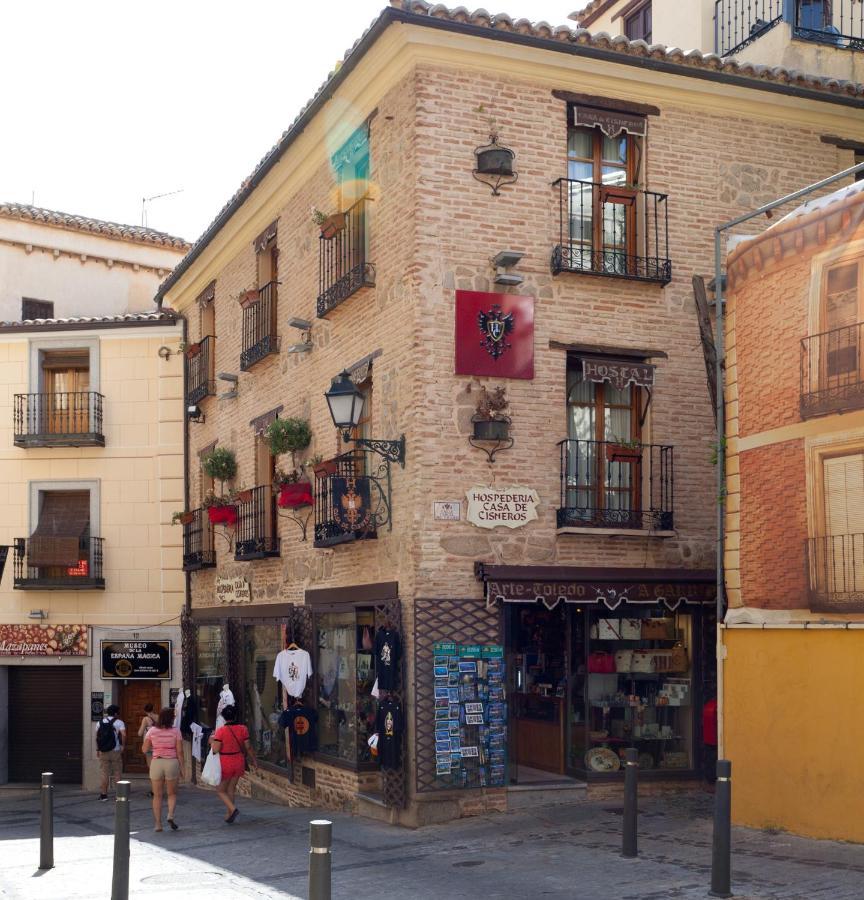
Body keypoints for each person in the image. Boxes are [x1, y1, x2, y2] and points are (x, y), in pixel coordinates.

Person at [209, 704, 257, 824]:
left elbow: (215, 750)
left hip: (226, 762)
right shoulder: (243, 729)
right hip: (239, 760)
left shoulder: (221, 731)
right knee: (231, 788)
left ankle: (233, 809)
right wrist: (254, 760)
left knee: (220, 790)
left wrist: (211, 741)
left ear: (224, 718)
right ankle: (229, 814)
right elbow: (248, 747)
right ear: (235, 715)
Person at [141, 706, 184, 832]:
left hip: (157, 762)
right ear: (171, 719)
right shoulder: (176, 731)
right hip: (171, 762)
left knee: (157, 795)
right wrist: (182, 768)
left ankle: (158, 824)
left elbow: (144, 749)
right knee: (172, 794)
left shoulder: (152, 731)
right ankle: (170, 814)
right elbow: (180, 752)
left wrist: (156, 747)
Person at [96, 704, 126, 801]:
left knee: (104, 773)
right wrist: (122, 745)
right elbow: (124, 735)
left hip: (103, 751)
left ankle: (104, 795)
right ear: (116, 713)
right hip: (115, 750)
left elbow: (97, 737)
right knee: (117, 772)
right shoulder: (119, 722)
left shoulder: (100, 722)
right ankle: (119, 796)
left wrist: (98, 749)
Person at [138, 703, 158, 797]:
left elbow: (140, 733)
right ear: (153, 708)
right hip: (159, 745)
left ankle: (154, 791)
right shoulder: (159, 717)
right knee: (158, 768)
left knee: (152, 769)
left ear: (145, 710)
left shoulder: (146, 719)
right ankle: (159, 788)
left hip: (150, 746)